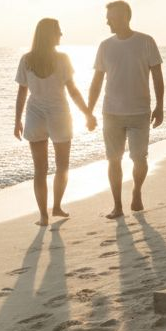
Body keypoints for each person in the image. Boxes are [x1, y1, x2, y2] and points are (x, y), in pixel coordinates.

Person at [14, 18, 97, 226]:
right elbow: (73, 90)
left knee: (40, 169)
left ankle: (43, 215)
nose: (61, 35)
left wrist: (17, 121)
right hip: (59, 114)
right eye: (59, 31)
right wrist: (87, 113)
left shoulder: (26, 59)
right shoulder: (63, 59)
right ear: (49, 35)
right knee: (62, 166)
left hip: (35, 115)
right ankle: (57, 206)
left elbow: (22, 93)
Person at [86, 0, 164, 219]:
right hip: (111, 113)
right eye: (107, 17)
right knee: (113, 160)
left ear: (124, 17)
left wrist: (160, 106)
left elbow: (157, 76)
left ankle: (137, 190)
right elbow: (97, 81)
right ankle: (117, 206)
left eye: (111, 17)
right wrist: (89, 111)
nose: (107, 21)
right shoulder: (105, 46)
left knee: (139, 158)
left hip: (140, 112)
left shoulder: (146, 42)